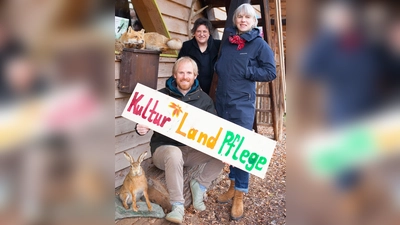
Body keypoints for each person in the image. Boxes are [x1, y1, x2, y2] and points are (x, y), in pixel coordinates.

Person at [135, 57, 224, 224]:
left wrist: (225, 151)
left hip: (191, 151)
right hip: (165, 149)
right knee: (174, 153)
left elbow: (215, 130)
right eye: (181, 72)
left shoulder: (204, 100)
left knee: (225, 153)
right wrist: (140, 127)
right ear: (174, 75)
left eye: (189, 73)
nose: (185, 76)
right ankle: (178, 206)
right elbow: (142, 119)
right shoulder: (161, 96)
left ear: (195, 75)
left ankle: (200, 186)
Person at [214, 3, 276, 220]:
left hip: (242, 104)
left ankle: (240, 193)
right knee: (229, 145)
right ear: (235, 20)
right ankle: (232, 185)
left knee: (241, 148)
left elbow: (270, 72)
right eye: (239, 17)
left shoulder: (259, 45)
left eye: (247, 17)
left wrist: (247, 71)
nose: (242, 20)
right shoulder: (230, 42)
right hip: (223, 101)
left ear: (253, 21)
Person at [177, 18, 221, 95]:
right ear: (194, 32)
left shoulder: (218, 46)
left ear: (209, 33)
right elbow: (179, 66)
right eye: (198, 31)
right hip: (192, 89)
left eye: (204, 31)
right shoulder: (187, 46)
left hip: (213, 89)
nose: (201, 34)